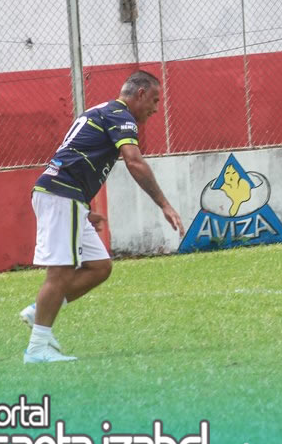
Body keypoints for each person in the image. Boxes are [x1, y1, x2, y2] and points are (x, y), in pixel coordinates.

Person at [19, 70, 185, 363]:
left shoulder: (101, 110)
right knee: (60, 272)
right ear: (140, 94)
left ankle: (39, 311)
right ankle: (37, 349)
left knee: (99, 266)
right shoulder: (121, 117)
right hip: (61, 195)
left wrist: (83, 209)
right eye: (155, 100)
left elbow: (75, 153)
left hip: (65, 196)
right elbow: (134, 161)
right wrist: (164, 205)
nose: (156, 108)